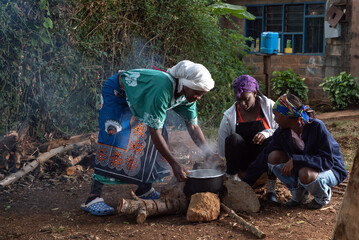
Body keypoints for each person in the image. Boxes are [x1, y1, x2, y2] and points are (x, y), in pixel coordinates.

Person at [81, 60, 221, 216]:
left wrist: (208, 153)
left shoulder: (187, 95)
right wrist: (174, 164)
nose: (199, 97)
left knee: (148, 139)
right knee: (115, 137)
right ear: (186, 84)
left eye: (202, 94)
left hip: (139, 100)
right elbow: (155, 131)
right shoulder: (163, 88)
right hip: (117, 94)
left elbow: (193, 127)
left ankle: (144, 189)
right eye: (198, 93)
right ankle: (93, 197)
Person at [265, 93, 348, 209]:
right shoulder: (283, 132)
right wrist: (248, 180)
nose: (274, 119)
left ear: (286, 116)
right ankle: (299, 194)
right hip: (305, 168)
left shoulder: (316, 127)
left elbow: (327, 161)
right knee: (273, 156)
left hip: (331, 168)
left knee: (305, 173)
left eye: (276, 116)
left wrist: (297, 160)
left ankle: (322, 197)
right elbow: (265, 154)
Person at [218, 75, 279, 204]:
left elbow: (281, 132)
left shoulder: (269, 107)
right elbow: (223, 149)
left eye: (246, 99)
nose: (242, 104)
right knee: (233, 138)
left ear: (255, 93)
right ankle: (234, 183)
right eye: (238, 100)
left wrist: (266, 133)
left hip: (263, 160)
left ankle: (271, 190)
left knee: (271, 141)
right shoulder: (229, 116)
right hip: (243, 162)